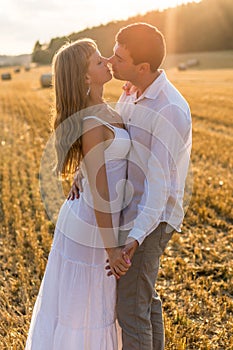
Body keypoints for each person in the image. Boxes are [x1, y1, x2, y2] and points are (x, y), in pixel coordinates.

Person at [70, 23, 192, 350]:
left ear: (143, 67)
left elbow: (160, 188)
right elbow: (112, 143)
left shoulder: (169, 111)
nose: (110, 60)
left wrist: (136, 238)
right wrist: (84, 171)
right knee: (144, 299)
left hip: (152, 218)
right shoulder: (132, 90)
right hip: (132, 209)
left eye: (119, 58)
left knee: (130, 308)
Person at [25, 38, 131, 350]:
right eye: (99, 62)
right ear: (86, 77)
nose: (107, 62)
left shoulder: (103, 109)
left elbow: (99, 167)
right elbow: (100, 193)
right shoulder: (91, 122)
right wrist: (112, 248)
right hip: (92, 226)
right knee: (84, 312)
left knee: (95, 308)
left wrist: (79, 173)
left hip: (97, 219)